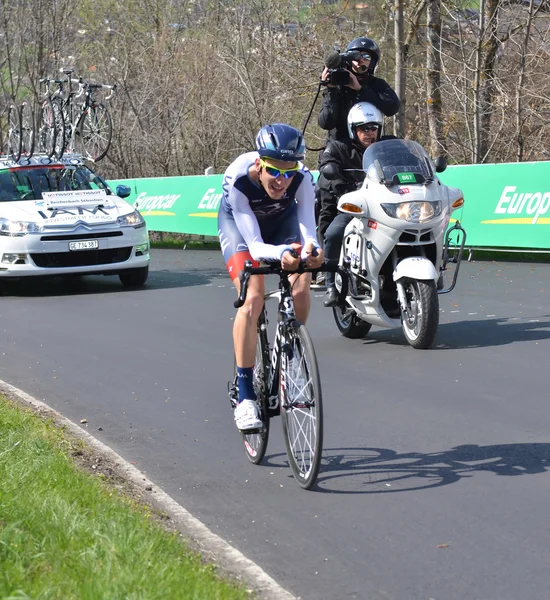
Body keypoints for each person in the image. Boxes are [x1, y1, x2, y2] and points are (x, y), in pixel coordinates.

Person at [218, 123, 324, 431]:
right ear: (258, 164)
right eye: (273, 171)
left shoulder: (302, 178)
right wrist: (282, 254)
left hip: (281, 222)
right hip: (242, 228)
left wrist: (311, 251)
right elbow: (254, 246)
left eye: (288, 172)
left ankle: (291, 356)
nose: (282, 180)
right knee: (252, 298)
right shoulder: (237, 179)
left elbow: (307, 228)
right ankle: (245, 394)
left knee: (302, 285)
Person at [317, 102, 391, 307]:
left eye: (373, 128)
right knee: (334, 233)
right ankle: (331, 284)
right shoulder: (339, 148)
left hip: (385, 210)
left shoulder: (388, 146)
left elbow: (409, 160)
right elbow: (327, 169)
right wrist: (346, 190)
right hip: (355, 209)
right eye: (363, 128)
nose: (369, 133)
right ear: (353, 129)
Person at [318, 37, 399, 146]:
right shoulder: (337, 83)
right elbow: (326, 122)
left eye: (366, 57)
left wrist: (360, 89)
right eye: (355, 56)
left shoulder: (376, 84)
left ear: (372, 62)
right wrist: (331, 89)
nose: (360, 60)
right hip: (339, 150)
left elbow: (393, 107)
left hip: (369, 148)